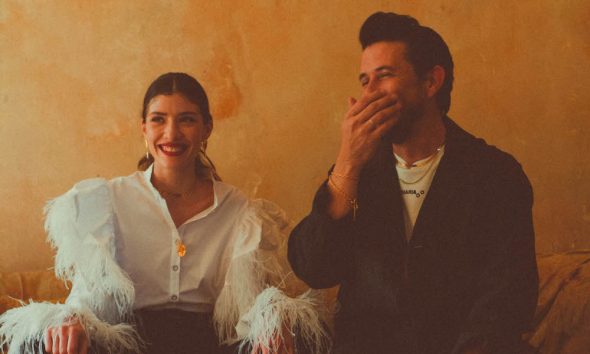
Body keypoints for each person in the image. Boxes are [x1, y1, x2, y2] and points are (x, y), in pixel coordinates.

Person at [0, 73, 329, 354]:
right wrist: (70, 321)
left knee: (304, 340)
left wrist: (274, 322)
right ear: (144, 128)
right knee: (44, 341)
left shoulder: (238, 210)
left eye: (186, 119)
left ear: (207, 128)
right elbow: (91, 298)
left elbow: (248, 303)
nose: (171, 133)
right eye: (159, 119)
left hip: (207, 344)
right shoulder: (107, 201)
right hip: (128, 343)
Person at [288, 12, 538, 354]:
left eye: (384, 76)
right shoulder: (358, 172)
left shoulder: (496, 176)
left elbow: (506, 302)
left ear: (432, 82)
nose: (369, 95)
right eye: (364, 81)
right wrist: (347, 164)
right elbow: (315, 270)